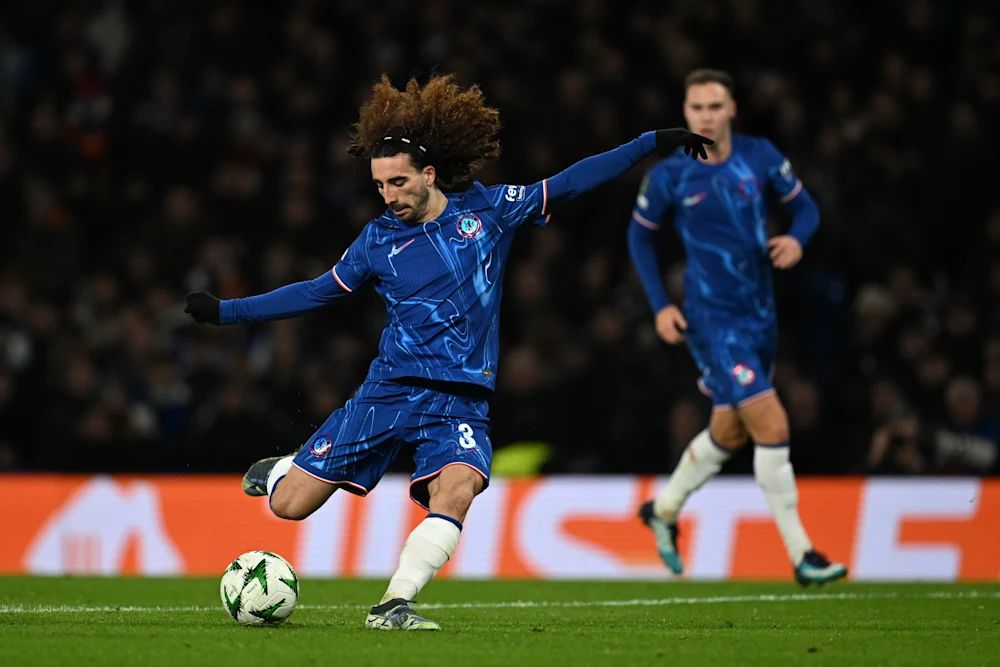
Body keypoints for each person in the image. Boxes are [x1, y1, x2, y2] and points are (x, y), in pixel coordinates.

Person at [184, 73, 711, 630]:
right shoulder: (377, 240)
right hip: (389, 391)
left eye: (398, 182)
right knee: (290, 507)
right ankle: (281, 472)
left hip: (460, 399)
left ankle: (393, 605)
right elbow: (315, 292)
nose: (388, 196)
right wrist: (227, 311)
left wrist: (650, 142)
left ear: (429, 175)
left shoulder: (489, 211)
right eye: (379, 185)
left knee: (457, 490)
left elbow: (571, 182)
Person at [627, 68, 847, 585]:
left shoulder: (761, 156)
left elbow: (807, 211)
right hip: (710, 320)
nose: (705, 115)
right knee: (772, 424)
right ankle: (802, 554)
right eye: (696, 107)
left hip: (760, 315)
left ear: (731, 110)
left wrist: (796, 240)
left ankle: (663, 509)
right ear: (685, 114)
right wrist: (661, 305)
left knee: (729, 427)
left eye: (715, 106)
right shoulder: (670, 175)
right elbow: (639, 240)